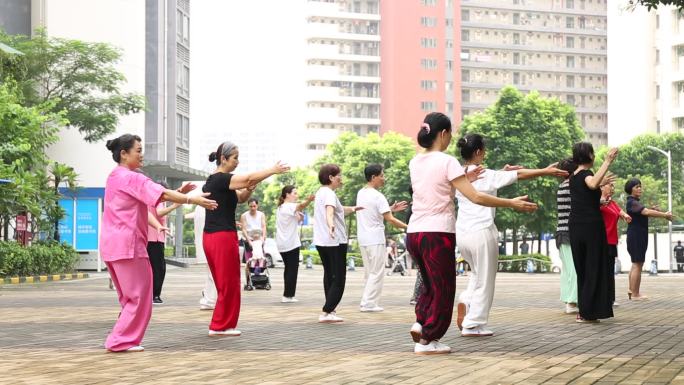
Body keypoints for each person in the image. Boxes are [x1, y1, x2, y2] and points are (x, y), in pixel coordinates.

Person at [407, 112, 537, 355]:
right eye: (450, 134)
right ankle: (429, 339)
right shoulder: (447, 161)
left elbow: (436, 184)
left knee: (429, 285)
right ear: (443, 134)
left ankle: (421, 322)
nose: (450, 140)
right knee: (444, 288)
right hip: (438, 232)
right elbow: (475, 196)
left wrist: (464, 176)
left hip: (415, 232)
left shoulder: (416, 161)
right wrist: (512, 203)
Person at [101, 134, 217, 352]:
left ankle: (121, 338)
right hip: (128, 245)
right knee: (139, 296)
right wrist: (192, 199)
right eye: (138, 150)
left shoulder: (114, 176)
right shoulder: (131, 177)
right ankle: (119, 340)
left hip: (111, 245)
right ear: (124, 154)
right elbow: (160, 193)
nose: (141, 154)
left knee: (129, 297)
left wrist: (180, 195)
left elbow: (150, 201)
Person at [454, 133, 567, 337]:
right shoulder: (485, 174)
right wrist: (546, 171)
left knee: (478, 274)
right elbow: (520, 175)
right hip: (481, 232)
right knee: (486, 279)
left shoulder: (459, 175)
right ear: (478, 152)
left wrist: (501, 172)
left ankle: (466, 299)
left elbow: (493, 177)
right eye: (484, 149)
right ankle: (473, 323)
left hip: (462, 235)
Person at [203, 141, 289, 336]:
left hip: (219, 235)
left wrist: (251, 188)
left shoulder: (220, 181)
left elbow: (240, 197)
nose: (237, 162)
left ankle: (225, 324)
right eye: (235, 158)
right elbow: (248, 178)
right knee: (227, 283)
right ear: (223, 159)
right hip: (220, 236)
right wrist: (273, 170)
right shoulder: (220, 178)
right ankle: (219, 326)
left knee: (230, 281)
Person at [568, 142, 618, 323]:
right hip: (591, 227)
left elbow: (585, 195)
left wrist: (599, 199)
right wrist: (608, 161)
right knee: (593, 267)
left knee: (583, 268)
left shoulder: (572, 176)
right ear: (588, 156)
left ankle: (585, 310)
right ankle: (588, 312)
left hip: (575, 226)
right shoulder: (586, 174)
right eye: (593, 153)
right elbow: (591, 183)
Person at [313, 163, 363, 323]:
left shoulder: (321, 192)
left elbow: (338, 210)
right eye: (339, 175)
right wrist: (331, 224)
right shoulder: (329, 194)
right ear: (331, 177)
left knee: (329, 275)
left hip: (323, 241)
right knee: (339, 278)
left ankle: (330, 311)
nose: (341, 178)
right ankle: (327, 310)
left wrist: (354, 208)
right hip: (335, 241)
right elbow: (330, 212)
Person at [356, 164, 408, 313]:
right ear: (373, 177)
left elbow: (373, 212)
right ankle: (368, 303)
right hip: (375, 238)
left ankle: (366, 301)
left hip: (363, 239)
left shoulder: (361, 193)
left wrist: (390, 208)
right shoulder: (378, 196)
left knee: (369, 272)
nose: (384, 179)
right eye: (382, 175)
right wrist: (409, 227)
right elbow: (390, 219)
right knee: (376, 272)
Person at [624, 178, 673, 300]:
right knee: (638, 263)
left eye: (640, 186)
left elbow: (644, 212)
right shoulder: (632, 202)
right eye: (636, 187)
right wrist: (664, 215)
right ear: (631, 189)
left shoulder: (634, 202)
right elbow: (645, 212)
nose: (640, 189)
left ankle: (631, 290)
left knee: (635, 263)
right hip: (637, 236)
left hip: (636, 235)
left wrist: (654, 210)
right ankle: (636, 294)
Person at [275, 185, 314, 303]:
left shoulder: (281, 207)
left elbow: (297, 217)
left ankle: (288, 294)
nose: (297, 195)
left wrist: (299, 216)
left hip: (282, 243)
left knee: (288, 269)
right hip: (290, 243)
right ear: (287, 194)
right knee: (292, 269)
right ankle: (288, 295)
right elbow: (301, 205)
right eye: (295, 193)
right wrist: (309, 200)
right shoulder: (289, 206)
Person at [599, 177, 632, 307]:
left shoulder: (611, 202)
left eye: (613, 186)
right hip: (601, 240)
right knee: (602, 270)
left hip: (612, 240)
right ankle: (602, 298)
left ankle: (610, 298)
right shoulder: (598, 202)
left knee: (609, 271)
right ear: (601, 187)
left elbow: (619, 211)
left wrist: (625, 215)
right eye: (609, 185)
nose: (612, 188)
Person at [147, 192, 184, 305]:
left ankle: (149, 295)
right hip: (155, 239)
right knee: (159, 269)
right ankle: (155, 295)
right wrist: (174, 206)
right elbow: (159, 212)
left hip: (147, 238)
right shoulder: (158, 202)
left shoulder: (147, 201)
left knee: (150, 269)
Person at [555, 158, 579, 314]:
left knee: (568, 269)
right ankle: (572, 301)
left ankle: (569, 300)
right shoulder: (571, 187)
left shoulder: (562, 186)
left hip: (563, 233)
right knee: (574, 269)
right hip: (568, 232)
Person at [240, 198, 267, 291]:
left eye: (254, 206)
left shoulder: (261, 215)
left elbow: (263, 226)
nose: (252, 208)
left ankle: (259, 279)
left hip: (259, 239)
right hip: (248, 239)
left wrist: (263, 238)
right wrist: (249, 240)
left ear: (257, 206)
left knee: (260, 258)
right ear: (248, 206)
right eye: (251, 206)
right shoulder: (244, 216)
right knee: (249, 260)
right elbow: (243, 229)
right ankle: (248, 281)